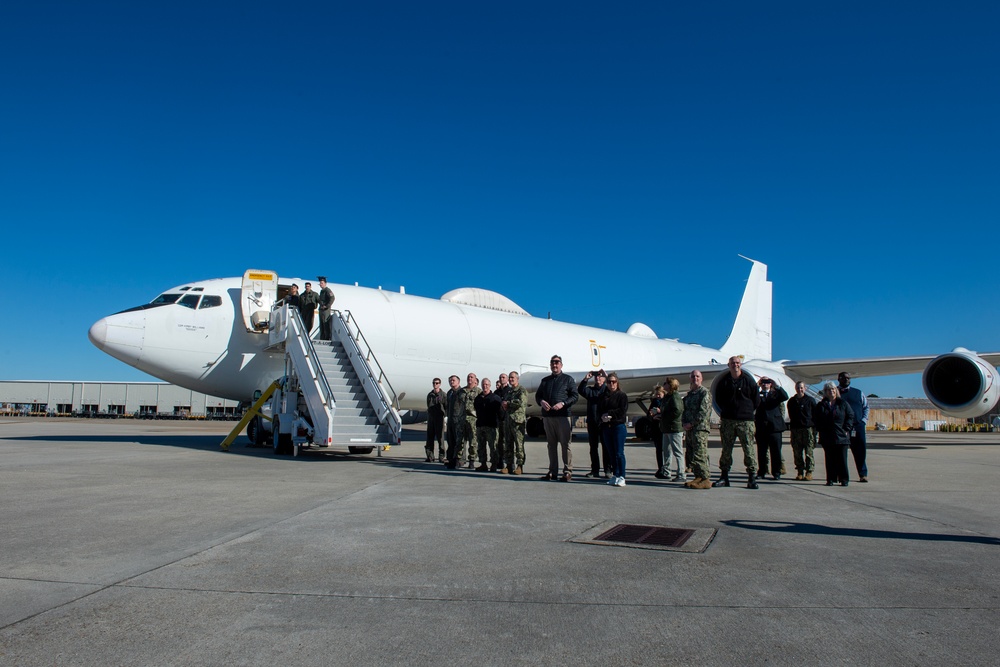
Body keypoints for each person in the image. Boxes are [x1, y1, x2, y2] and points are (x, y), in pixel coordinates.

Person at [713, 356, 761, 489]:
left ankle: (751, 478)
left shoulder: (749, 381)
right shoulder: (724, 382)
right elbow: (718, 398)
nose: (735, 365)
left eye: (737, 363)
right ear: (729, 365)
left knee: (749, 450)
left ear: (741, 364)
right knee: (726, 450)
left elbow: (756, 400)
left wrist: (747, 411)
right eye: (733, 363)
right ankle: (724, 477)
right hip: (728, 420)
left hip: (745, 421)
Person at [535, 355, 578, 481]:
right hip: (548, 417)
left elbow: (575, 396)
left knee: (565, 444)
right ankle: (552, 471)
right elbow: (538, 396)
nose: (555, 365)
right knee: (551, 445)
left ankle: (567, 471)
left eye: (557, 363)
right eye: (552, 363)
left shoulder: (568, 380)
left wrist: (563, 403)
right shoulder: (545, 381)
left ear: (561, 365)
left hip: (563, 416)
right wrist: (541, 402)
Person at [814, 382, 855, 486]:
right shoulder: (821, 405)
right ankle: (831, 479)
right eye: (828, 390)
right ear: (825, 392)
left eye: (833, 389)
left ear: (836, 391)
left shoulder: (843, 403)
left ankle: (844, 479)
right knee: (829, 459)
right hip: (827, 436)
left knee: (842, 459)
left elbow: (850, 416)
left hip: (841, 435)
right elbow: (816, 418)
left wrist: (846, 428)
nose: (831, 391)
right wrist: (820, 429)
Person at [682, 370, 713, 489]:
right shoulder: (690, 395)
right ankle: (698, 477)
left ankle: (705, 479)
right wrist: (684, 423)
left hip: (700, 429)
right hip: (690, 429)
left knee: (700, 453)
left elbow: (704, 412)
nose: (695, 378)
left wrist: (692, 423)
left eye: (697, 376)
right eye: (693, 376)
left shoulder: (704, 393)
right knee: (692, 454)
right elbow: (684, 410)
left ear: (701, 378)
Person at [837, 372, 870, 482]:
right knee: (841, 453)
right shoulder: (834, 393)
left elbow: (866, 407)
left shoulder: (858, 393)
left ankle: (863, 474)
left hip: (857, 426)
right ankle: (841, 475)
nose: (846, 380)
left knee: (860, 451)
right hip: (841, 428)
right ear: (838, 379)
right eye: (843, 378)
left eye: (848, 378)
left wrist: (863, 421)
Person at [754, 376, 789, 480]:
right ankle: (762, 471)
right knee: (762, 451)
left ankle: (776, 472)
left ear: (770, 384)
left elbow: (784, 396)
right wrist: (756, 385)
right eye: (763, 383)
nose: (765, 384)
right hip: (761, 427)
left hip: (774, 427)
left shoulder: (775, 394)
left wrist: (776, 385)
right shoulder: (758, 394)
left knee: (776, 451)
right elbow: (751, 396)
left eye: (767, 382)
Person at [598, 373, 629, 487]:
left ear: (617, 383)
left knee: (619, 453)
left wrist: (610, 414)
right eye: (609, 382)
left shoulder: (622, 396)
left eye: (614, 382)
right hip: (607, 427)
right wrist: (602, 417)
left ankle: (622, 476)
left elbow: (622, 411)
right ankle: (615, 475)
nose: (612, 384)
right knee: (611, 453)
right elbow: (600, 409)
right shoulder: (604, 397)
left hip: (618, 427)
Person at [578, 369, 609, 478]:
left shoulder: (607, 390)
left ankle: (608, 470)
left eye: (600, 376)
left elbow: (614, 390)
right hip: (592, 423)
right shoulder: (591, 391)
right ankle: (595, 470)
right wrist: (586, 378)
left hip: (604, 423)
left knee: (606, 447)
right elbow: (581, 390)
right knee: (593, 448)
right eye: (596, 376)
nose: (598, 378)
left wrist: (607, 375)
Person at [787, 381, 817, 480]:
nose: (800, 390)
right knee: (797, 452)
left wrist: (814, 430)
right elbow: (791, 415)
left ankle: (809, 471)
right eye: (798, 388)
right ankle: (800, 471)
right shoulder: (792, 401)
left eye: (801, 388)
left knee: (809, 452)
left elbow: (815, 415)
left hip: (807, 429)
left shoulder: (810, 400)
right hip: (796, 429)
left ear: (805, 389)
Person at [501, 371, 527, 474]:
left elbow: (520, 402)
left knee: (519, 445)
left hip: (518, 422)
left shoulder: (522, 390)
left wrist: (508, 403)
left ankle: (519, 466)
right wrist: (504, 404)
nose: (511, 379)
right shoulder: (509, 392)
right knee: (508, 444)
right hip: (508, 421)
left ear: (517, 378)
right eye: (510, 378)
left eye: (513, 378)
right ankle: (508, 465)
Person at [659, 378, 685, 482]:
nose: (663, 385)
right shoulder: (667, 397)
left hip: (674, 428)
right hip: (666, 428)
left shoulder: (675, 396)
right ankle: (667, 471)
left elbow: (677, 411)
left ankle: (681, 473)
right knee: (666, 451)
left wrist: (664, 416)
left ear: (670, 385)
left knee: (677, 452)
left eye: (665, 384)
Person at [474, 378, 502, 471]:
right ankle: (483, 464)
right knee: (481, 446)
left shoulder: (495, 398)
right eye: (483, 384)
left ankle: (494, 464)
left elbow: (500, 413)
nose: (485, 386)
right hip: (480, 425)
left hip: (492, 426)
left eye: (486, 384)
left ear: (490, 386)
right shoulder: (478, 398)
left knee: (493, 446)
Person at [461, 373, 481, 468]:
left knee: (473, 441)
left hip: (473, 420)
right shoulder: (462, 391)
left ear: (475, 380)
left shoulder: (478, 391)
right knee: (460, 441)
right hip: (462, 419)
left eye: (471, 377)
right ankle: (460, 459)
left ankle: (472, 460)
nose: (469, 378)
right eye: (468, 377)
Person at [445, 375, 464, 469]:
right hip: (450, 419)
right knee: (450, 440)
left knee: (459, 441)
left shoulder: (462, 392)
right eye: (450, 380)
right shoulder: (449, 393)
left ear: (458, 382)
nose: (451, 382)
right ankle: (451, 459)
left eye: (453, 380)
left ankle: (460, 460)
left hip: (458, 420)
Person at [425, 378, 446, 462]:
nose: (435, 384)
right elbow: (428, 405)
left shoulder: (443, 395)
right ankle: (430, 456)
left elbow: (446, 405)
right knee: (429, 438)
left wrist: (443, 414)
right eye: (434, 383)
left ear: (440, 384)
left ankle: (441, 456)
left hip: (439, 418)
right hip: (431, 418)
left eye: (437, 383)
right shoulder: (430, 395)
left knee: (440, 438)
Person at [647, 385, 666, 477]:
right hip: (656, 428)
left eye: (659, 394)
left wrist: (660, 412)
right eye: (656, 394)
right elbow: (648, 414)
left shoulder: (666, 402)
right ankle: (660, 467)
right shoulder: (654, 402)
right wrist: (652, 416)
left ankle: (666, 468)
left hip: (664, 428)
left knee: (665, 449)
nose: (657, 396)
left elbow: (671, 413)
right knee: (658, 449)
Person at [317, 276, 335, 341]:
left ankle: (327, 338)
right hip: (321, 309)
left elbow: (332, 298)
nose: (320, 284)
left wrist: (327, 306)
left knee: (325, 324)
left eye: (322, 283)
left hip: (325, 310)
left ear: (325, 283)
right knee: (321, 324)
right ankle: (322, 338)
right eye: (320, 283)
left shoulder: (327, 290)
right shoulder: (322, 291)